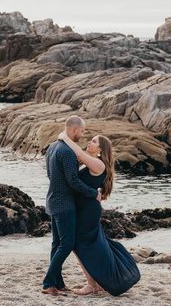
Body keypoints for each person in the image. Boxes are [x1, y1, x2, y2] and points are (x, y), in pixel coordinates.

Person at [58, 131, 141, 296]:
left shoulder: (98, 164)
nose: (90, 142)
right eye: (90, 140)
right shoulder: (93, 163)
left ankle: (91, 284)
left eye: (94, 142)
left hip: (87, 212)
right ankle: (95, 283)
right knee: (87, 245)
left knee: (79, 245)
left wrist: (65, 137)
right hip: (84, 209)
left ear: (101, 150)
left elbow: (79, 154)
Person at [42, 115, 101, 296]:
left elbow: (50, 175)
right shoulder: (67, 152)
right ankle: (48, 283)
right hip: (64, 205)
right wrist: (93, 193)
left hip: (52, 200)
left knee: (57, 244)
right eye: (82, 131)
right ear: (74, 130)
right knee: (67, 244)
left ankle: (57, 283)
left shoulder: (52, 147)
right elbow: (73, 181)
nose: (82, 135)